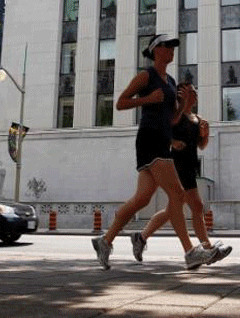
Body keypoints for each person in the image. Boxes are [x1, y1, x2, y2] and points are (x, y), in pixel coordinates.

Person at [91, 34, 216, 270]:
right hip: (149, 139)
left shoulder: (170, 81)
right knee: (178, 194)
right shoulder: (145, 76)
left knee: (142, 199)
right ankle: (190, 252)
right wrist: (147, 99)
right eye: (168, 46)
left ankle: (105, 241)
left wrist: (180, 107)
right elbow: (120, 103)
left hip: (163, 141)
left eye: (172, 47)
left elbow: (171, 119)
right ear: (156, 50)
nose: (172, 50)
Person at [130, 83, 232, 265]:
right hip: (175, 164)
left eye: (195, 92)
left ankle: (141, 237)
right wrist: (173, 141)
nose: (195, 95)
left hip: (190, 165)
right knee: (197, 206)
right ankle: (207, 249)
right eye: (192, 92)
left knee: (172, 210)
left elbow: (201, 146)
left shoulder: (197, 118)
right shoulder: (173, 114)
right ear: (182, 94)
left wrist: (205, 134)